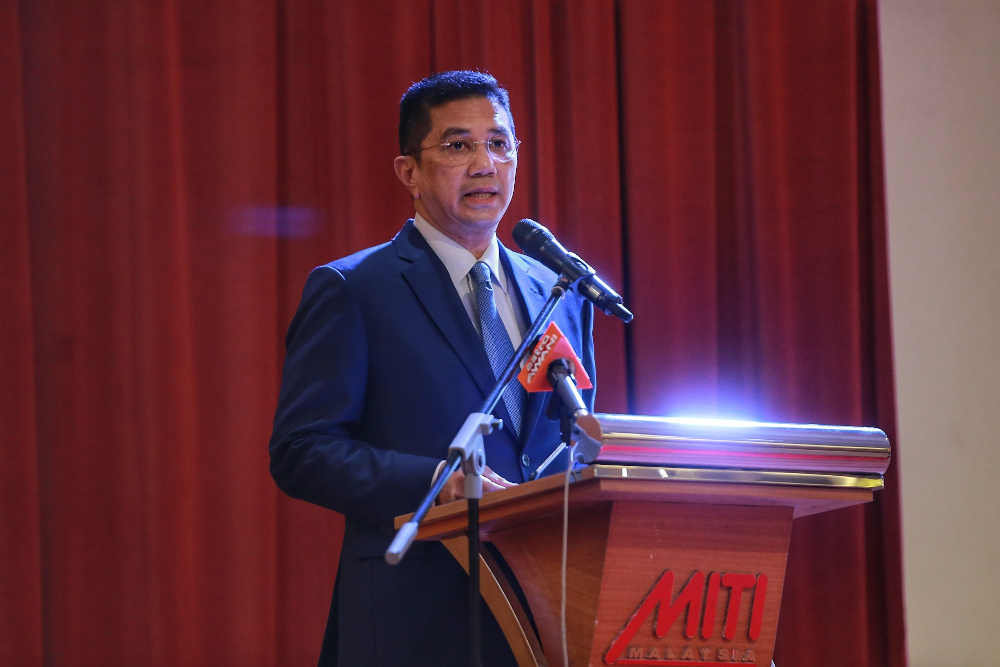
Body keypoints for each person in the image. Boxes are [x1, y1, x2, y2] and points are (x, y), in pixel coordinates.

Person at [269, 70, 596, 666]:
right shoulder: (356, 289)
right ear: (409, 173)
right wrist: (433, 482)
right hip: (416, 617)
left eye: (499, 144)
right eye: (457, 145)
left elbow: (577, 441)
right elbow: (302, 451)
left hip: (548, 611)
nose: (483, 163)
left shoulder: (559, 288)